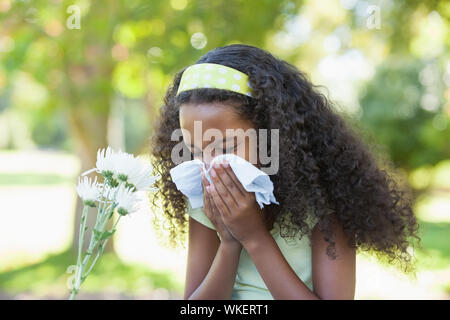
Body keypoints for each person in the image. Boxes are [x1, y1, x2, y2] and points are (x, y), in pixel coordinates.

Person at [150, 44, 422, 300]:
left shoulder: (322, 202)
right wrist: (230, 243)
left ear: (273, 136)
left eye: (226, 147)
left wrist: (254, 237)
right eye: (196, 150)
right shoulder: (204, 195)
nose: (210, 165)